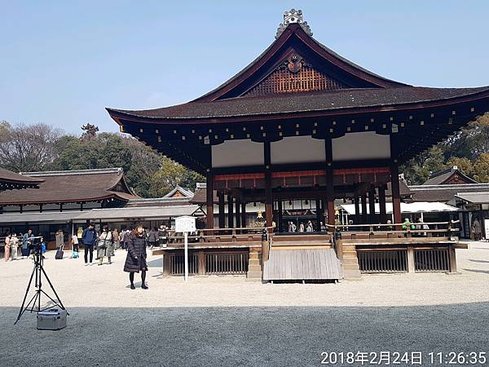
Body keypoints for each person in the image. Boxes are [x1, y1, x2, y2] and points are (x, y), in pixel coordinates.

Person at [124, 224, 148, 290]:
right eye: (140, 228)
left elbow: (144, 247)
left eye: (142, 228)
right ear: (136, 229)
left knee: (144, 269)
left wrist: (145, 254)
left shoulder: (143, 236)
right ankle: (132, 283)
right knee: (132, 271)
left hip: (141, 255)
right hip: (133, 256)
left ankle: (143, 284)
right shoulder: (131, 236)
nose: (142, 229)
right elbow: (130, 247)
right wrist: (134, 254)